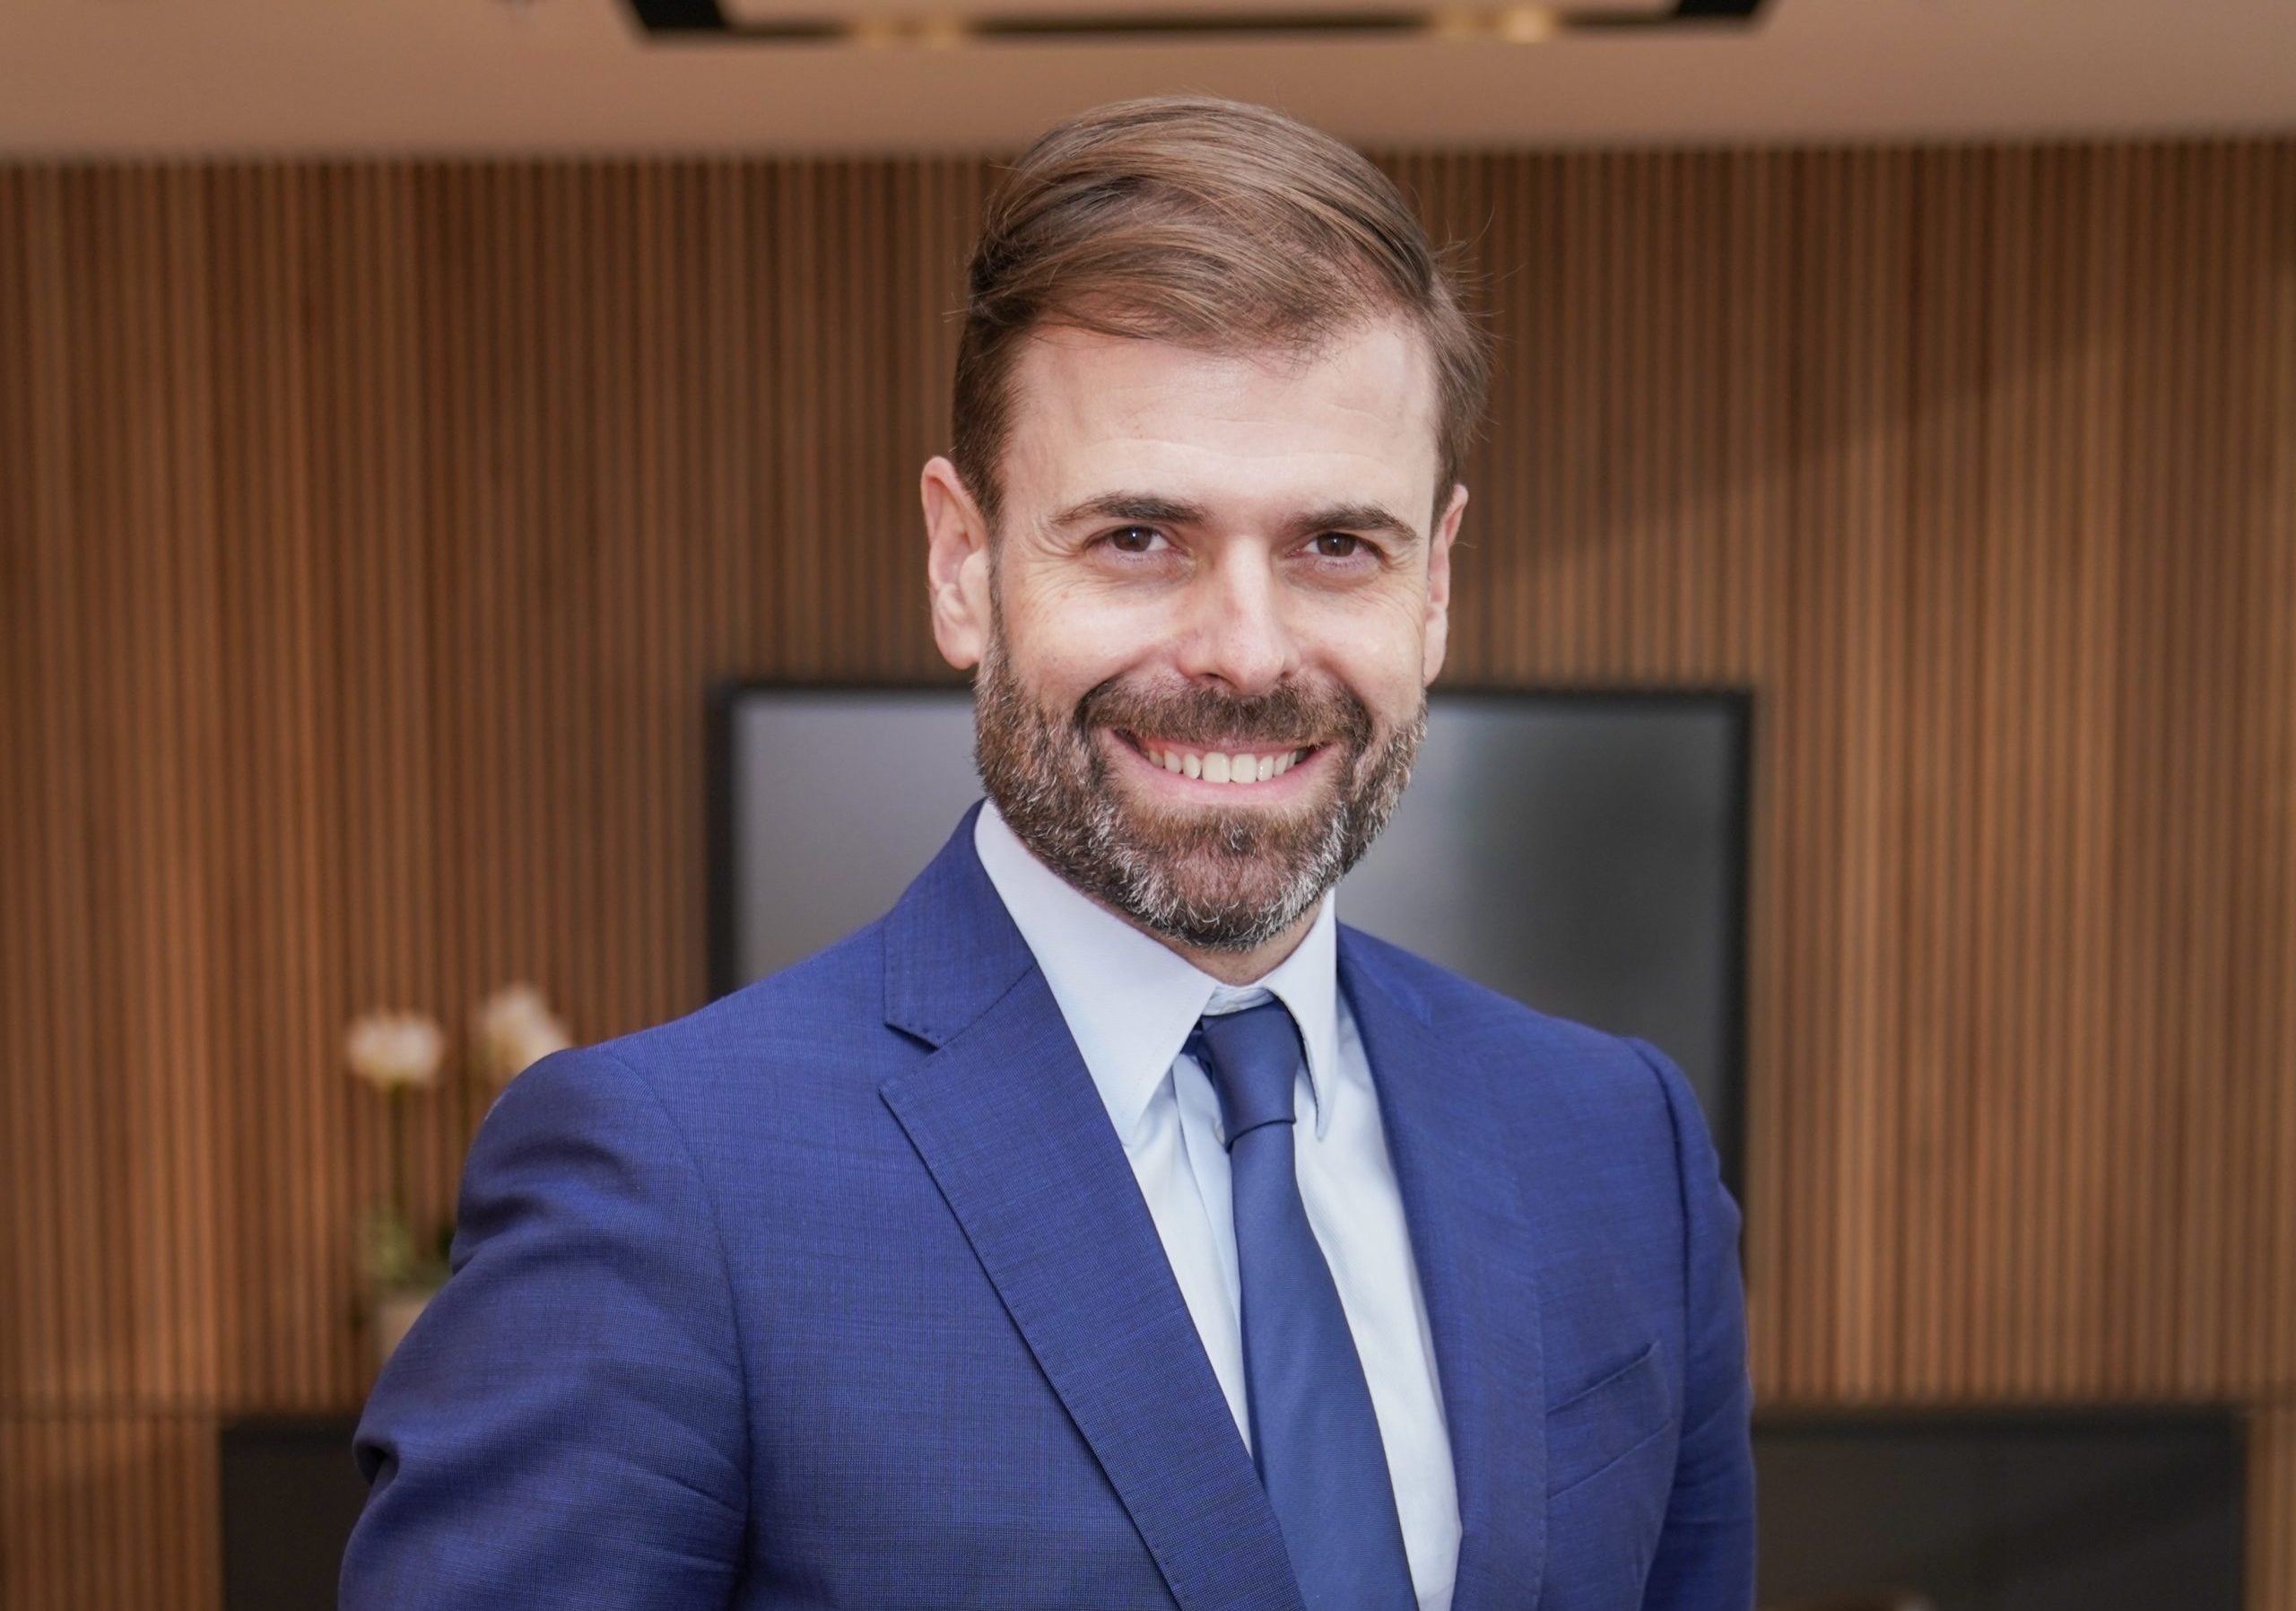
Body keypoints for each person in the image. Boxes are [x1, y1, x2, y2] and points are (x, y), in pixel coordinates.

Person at [341, 95, 1752, 1611]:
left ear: (1437, 586)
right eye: (1138, 537)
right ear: (963, 565)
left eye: (1337, 545)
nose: (1245, 650)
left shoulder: (1619, 1147)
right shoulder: (662, 1183)